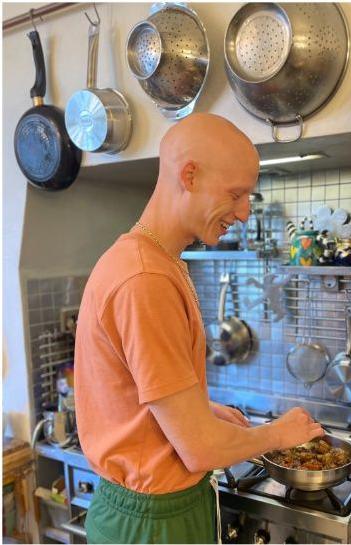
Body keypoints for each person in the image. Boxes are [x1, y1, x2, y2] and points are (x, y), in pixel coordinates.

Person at [74, 114, 324, 544]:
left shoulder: (158, 262)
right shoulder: (144, 279)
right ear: (189, 174)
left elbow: (137, 394)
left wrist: (200, 411)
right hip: (152, 523)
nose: (245, 213)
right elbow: (200, 449)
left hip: (158, 511)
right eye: (236, 194)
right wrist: (280, 434)